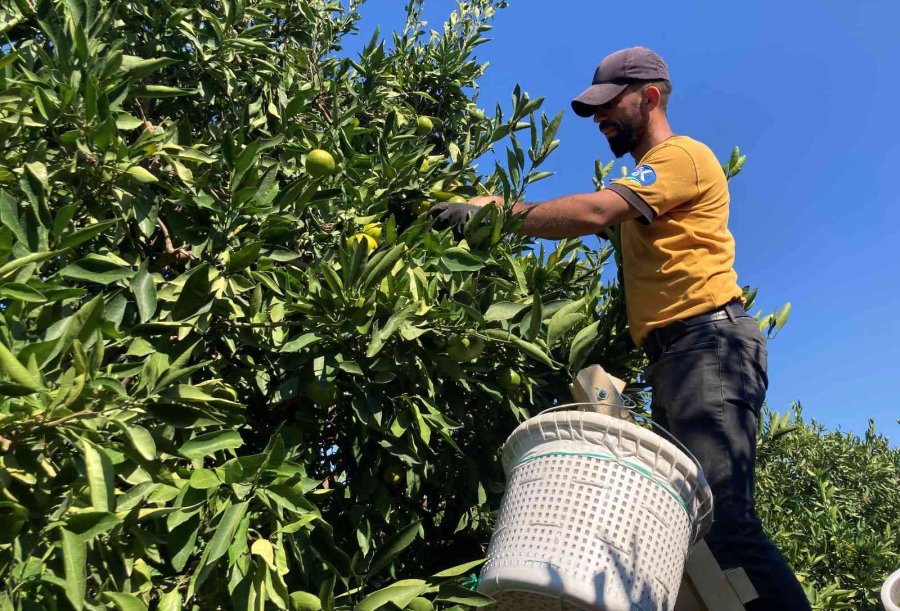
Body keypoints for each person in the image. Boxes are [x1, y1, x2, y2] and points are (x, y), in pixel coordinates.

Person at [431, 46, 811, 611]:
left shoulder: (681, 157)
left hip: (707, 341)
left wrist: (497, 212)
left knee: (721, 519)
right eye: (593, 109)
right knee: (682, 521)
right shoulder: (649, 188)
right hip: (679, 354)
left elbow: (593, 213)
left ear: (651, 96)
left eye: (610, 104)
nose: (600, 118)